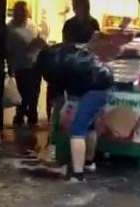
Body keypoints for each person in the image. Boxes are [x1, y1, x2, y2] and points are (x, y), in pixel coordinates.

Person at [37, 40, 115, 183]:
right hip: (105, 82)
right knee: (89, 126)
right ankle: (88, 163)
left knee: (77, 131)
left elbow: (62, 89)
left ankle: (77, 176)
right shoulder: (63, 51)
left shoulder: (51, 64)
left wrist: (64, 108)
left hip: (92, 88)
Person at [6, 1, 46, 127]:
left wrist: (40, 43)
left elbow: (38, 38)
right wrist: (10, 64)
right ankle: (19, 116)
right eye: (20, 11)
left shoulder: (32, 24)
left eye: (25, 11)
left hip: (35, 64)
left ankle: (32, 117)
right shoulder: (10, 29)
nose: (23, 13)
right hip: (21, 65)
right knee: (24, 93)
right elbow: (7, 49)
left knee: (35, 92)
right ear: (15, 12)